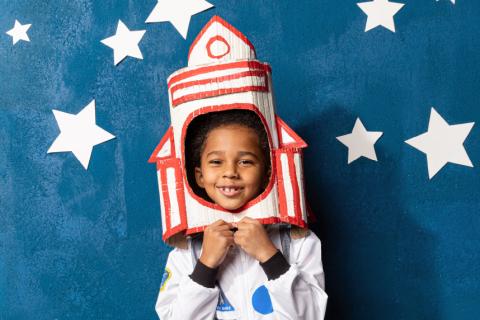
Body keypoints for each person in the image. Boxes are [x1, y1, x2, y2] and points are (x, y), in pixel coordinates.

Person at [155, 109, 328, 320]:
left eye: (245, 161)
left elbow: (311, 316)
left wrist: (270, 256)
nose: (230, 172)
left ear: (267, 174)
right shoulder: (187, 251)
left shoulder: (298, 240)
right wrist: (206, 265)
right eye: (216, 162)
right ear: (199, 176)